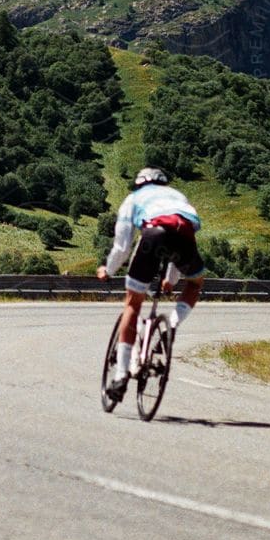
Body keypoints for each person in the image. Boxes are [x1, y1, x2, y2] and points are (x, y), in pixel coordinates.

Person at [96, 167, 206, 399]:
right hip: (183, 239)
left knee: (133, 305)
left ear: (139, 183)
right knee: (195, 283)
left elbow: (122, 247)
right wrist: (170, 279)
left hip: (153, 236)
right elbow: (181, 235)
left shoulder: (133, 199)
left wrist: (109, 269)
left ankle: (121, 376)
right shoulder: (179, 197)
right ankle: (172, 325)